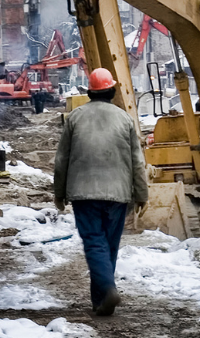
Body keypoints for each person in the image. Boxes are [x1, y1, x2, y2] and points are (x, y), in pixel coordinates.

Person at [54, 68, 148, 316]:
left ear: (89, 92)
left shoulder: (75, 118)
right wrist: (142, 194)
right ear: (112, 90)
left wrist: (59, 193)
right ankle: (102, 298)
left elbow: (61, 159)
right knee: (109, 246)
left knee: (95, 244)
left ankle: (106, 291)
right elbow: (137, 161)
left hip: (83, 194)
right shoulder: (125, 119)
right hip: (118, 194)